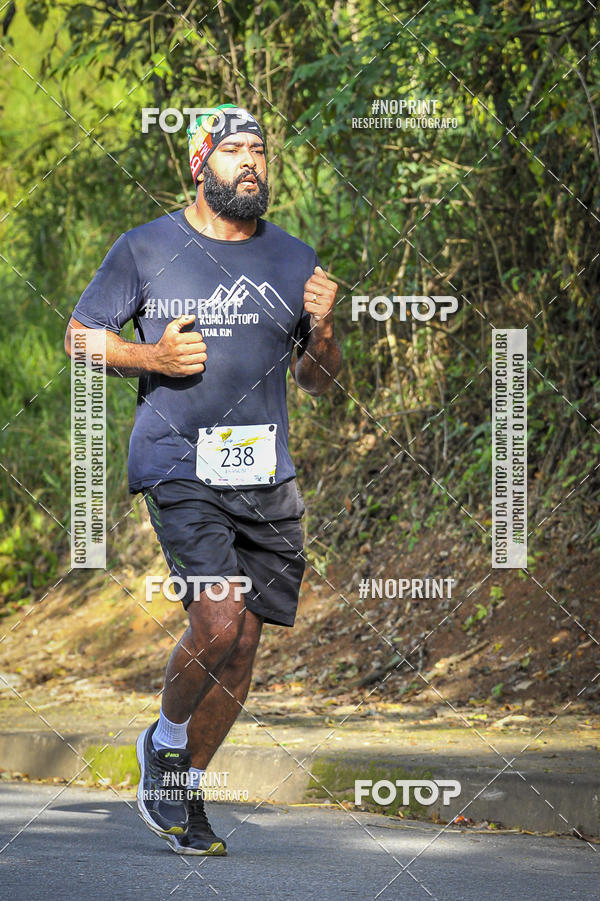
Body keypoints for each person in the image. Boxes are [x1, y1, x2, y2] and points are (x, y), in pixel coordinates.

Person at [64, 104, 342, 855]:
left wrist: (322, 326)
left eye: (259, 150)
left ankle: (178, 789)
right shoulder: (146, 247)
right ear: (199, 163)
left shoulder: (293, 258)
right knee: (218, 619)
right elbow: (80, 336)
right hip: (178, 459)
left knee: (245, 643)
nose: (250, 162)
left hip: (266, 471)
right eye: (234, 151)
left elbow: (317, 380)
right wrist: (150, 360)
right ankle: (164, 740)